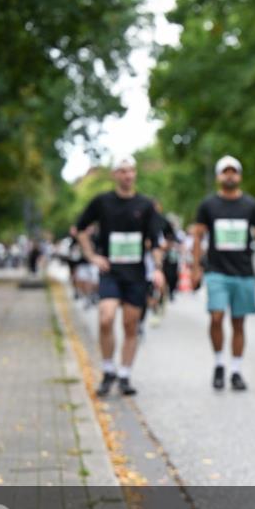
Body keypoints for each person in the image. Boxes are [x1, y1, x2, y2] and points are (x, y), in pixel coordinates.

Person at [76, 155, 164, 397]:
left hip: (135, 274)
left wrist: (157, 268)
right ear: (115, 174)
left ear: (135, 174)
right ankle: (108, 370)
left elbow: (156, 241)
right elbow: (80, 229)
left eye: (131, 171)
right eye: (123, 171)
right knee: (106, 318)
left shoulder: (145, 205)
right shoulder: (102, 202)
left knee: (130, 324)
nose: (128, 175)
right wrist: (92, 256)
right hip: (110, 271)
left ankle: (124, 374)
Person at [191, 155, 255, 391]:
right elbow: (198, 236)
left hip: (243, 272)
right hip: (216, 270)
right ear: (219, 176)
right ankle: (219, 363)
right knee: (216, 316)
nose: (230, 176)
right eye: (225, 172)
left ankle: (236, 370)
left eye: (233, 171)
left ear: (239, 175)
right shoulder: (208, 205)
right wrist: (196, 267)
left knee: (239, 322)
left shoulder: (251, 205)